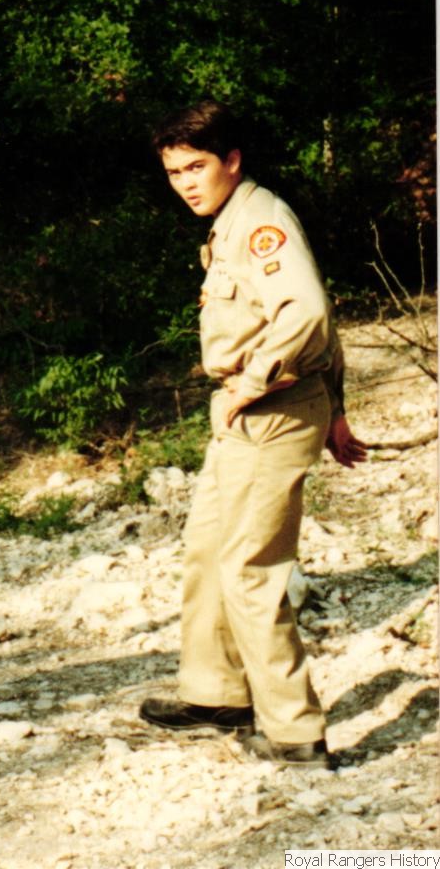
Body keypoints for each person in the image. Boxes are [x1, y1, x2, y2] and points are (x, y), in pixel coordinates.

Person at [141, 101, 364, 768]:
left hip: (272, 410)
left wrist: (252, 383)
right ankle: (217, 694)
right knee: (207, 550)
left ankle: (294, 731)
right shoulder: (230, 224)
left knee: (250, 567)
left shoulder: (262, 222)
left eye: (197, 167)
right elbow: (318, 315)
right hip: (253, 411)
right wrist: (337, 410)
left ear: (232, 160)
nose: (186, 183)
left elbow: (308, 312)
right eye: (175, 171)